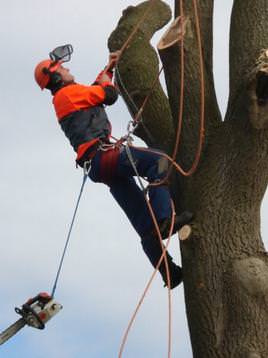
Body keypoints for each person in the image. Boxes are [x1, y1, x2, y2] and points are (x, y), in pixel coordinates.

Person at [34, 49, 193, 289]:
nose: (67, 69)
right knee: (159, 161)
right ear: (55, 77)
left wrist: (109, 67)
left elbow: (97, 87)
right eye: (61, 69)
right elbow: (108, 94)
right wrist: (109, 78)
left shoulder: (71, 96)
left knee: (142, 222)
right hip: (103, 157)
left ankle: (169, 273)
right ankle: (164, 218)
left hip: (99, 166)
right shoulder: (68, 94)